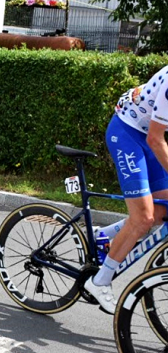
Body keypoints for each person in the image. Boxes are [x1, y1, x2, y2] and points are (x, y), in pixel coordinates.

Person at [85, 65, 168, 313]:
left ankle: (104, 235)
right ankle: (99, 282)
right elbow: (156, 139)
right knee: (143, 218)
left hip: (147, 136)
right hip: (128, 134)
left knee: (162, 211)